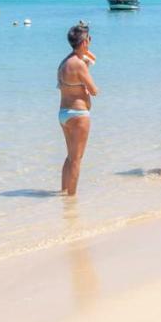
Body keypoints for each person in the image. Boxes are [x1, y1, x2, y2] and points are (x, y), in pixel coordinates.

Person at [57, 22, 98, 197]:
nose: (90, 41)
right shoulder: (79, 65)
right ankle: (71, 199)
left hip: (63, 114)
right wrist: (87, 67)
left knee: (70, 156)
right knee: (77, 159)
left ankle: (64, 192)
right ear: (84, 42)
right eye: (89, 38)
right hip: (78, 114)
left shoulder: (65, 62)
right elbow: (94, 90)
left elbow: (65, 85)